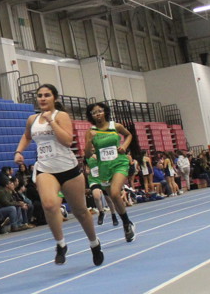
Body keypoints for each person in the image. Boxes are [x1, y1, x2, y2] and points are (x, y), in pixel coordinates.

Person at [15, 84, 104, 266]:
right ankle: (61, 244)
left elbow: (67, 141)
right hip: (45, 169)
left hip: (68, 169)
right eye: (40, 95)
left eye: (47, 95)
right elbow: (27, 136)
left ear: (54, 98)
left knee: (80, 212)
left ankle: (94, 243)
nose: (42, 98)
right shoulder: (32, 119)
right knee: (49, 205)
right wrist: (19, 151)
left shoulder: (60, 116)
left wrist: (51, 121)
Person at [84, 102, 136, 242]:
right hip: (104, 167)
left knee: (114, 192)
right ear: (91, 116)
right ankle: (126, 222)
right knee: (114, 198)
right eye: (94, 113)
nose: (97, 114)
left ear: (105, 112)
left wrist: (124, 146)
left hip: (119, 162)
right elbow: (87, 154)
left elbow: (129, 135)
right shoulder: (90, 132)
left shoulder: (115, 126)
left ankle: (126, 224)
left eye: (100, 111)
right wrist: (89, 140)